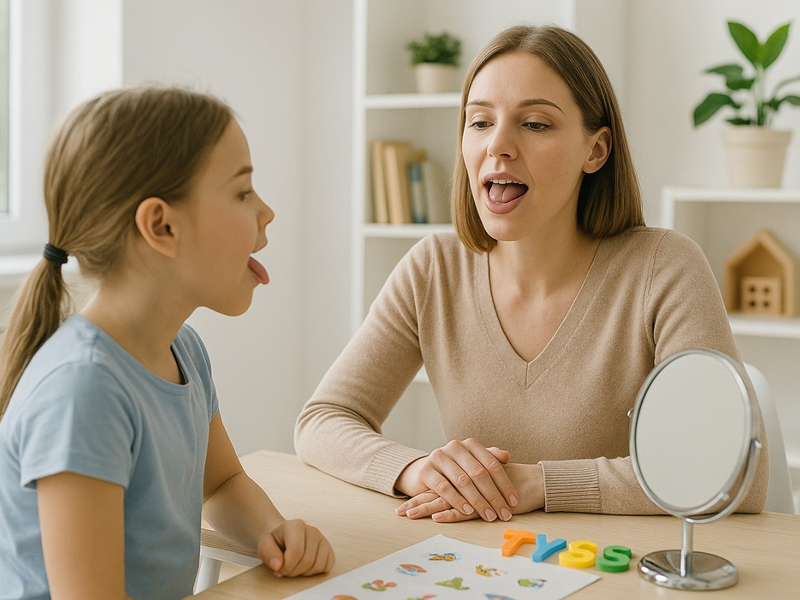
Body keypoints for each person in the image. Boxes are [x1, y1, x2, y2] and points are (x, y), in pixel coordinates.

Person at [294, 24, 768, 522]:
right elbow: (323, 420)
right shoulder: (433, 269)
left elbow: (738, 474)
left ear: (596, 151)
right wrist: (420, 470)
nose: (498, 145)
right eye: (479, 122)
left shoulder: (664, 269)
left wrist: (542, 484)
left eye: (536, 124)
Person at [0, 86, 334, 600]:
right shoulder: (83, 391)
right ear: (161, 225)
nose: (267, 212)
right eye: (243, 193)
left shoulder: (184, 350)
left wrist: (270, 530)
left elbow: (220, 484)